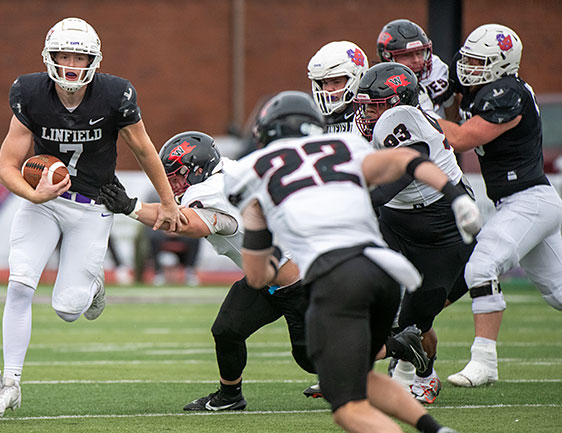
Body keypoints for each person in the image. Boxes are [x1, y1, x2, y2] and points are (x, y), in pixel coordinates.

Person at [223, 90, 478, 433]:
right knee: (360, 377)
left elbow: (256, 276)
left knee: (345, 406)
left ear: (265, 132)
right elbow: (405, 161)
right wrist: (454, 196)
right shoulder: (345, 146)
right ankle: (436, 430)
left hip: (335, 277)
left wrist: (272, 266)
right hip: (384, 271)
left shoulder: (251, 171)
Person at [0, 17, 183, 417]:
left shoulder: (114, 94)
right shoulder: (30, 93)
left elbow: (144, 149)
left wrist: (169, 201)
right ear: (49, 57)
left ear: (94, 60)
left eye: (80, 56)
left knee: (68, 309)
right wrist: (32, 194)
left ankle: (93, 287)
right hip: (43, 203)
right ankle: (10, 384)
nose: (72, 64)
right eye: (64, 55)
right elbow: (6, 165)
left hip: (92, 206)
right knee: (20, 283)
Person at [97, 131, 315, 411]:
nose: (171, 183)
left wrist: (130, 207)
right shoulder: (228, 171)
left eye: (177, 175)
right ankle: (230, 396)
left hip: (298, 283)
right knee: (227, 330)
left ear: (198, 169)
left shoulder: (209, 191)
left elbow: (187, 224)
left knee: (309, 358)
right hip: (264, 276)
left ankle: (384, 350)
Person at [437, 24, 562, 387]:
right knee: (559, 294)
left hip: (528, 201)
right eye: (468, 59)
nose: (469, 67)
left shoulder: (508, 92)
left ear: (502, 64)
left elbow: (461, 139)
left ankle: (484, 362)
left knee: (481, 267)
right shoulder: (482, 88)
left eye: (479, 61)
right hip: (528, 202)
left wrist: (416, 118)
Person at [353, 62, 476, 403]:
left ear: (398, 102)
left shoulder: (401, 118)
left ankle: (422, 371)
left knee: (411, 324)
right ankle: (350, 372)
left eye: (375, 106)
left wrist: (358, 200)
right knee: (365, 291)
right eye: (365, 105)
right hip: (395, 219)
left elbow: (405, 170)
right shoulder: (373, 123)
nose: (367, 113)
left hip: (440, 227)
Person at [377, 19, 453, 119]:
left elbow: (454, 116)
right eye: (406, 55)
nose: (416, 60)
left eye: (419, 53)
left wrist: (449, 97)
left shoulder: (437, 69)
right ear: (387, 58)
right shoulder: (380, 85)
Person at [307, 41, 369, 133]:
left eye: (336, 82)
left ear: (358, 78)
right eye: (324, 82)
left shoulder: (369, 115)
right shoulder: (315, 119)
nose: (328, 89)